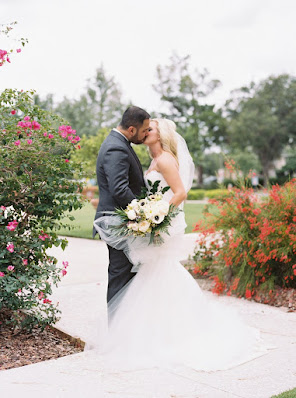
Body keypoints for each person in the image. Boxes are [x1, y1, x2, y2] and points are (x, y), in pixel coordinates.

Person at [91, 118, 268, 372]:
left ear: (160, 135)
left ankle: (175, 333)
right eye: (144, 128)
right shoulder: (153, 160)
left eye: (149, 129)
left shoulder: (164, 159)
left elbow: (180, 192)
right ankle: (148, 333)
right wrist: (149, 212)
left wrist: (158, 214)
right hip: (150, 223)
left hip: (158, 223)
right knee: (149, 277)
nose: (144, 132)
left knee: (160, 274)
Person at [94, 106, 150, 303]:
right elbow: (119, 189)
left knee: (127, 277)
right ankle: (116, 331)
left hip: (123, 223)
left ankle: (124, 329)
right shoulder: (116, 147)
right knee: (120, 277)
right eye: (144, 131)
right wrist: (145, 214)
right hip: (118, 224)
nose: (145, 135)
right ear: (132, 129)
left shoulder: (120, 143)